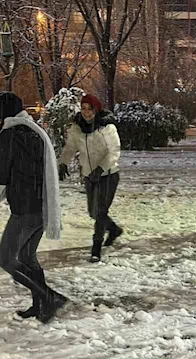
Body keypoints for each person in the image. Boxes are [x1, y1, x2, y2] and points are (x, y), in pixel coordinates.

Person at [0, 92, 67, 323]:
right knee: (27, 256)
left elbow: (0, 173)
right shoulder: (34, 131)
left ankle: (48, 297)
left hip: (25, 209)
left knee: (5, 259)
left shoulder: (11, 135)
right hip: (43, 206)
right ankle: (40, 306)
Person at [58, 94, 123, 263]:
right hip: (88, 174)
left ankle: (96, 248)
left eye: (90, 108)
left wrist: (101, 168)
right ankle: (114, 229)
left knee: (101, 211)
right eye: (84, 108)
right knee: (93, 212)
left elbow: (114, 151)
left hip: (108, 174)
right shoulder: (77, 127)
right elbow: (70, 147)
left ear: (96, 109)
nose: (87, 112)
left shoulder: (107, 127)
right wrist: (63, 163)